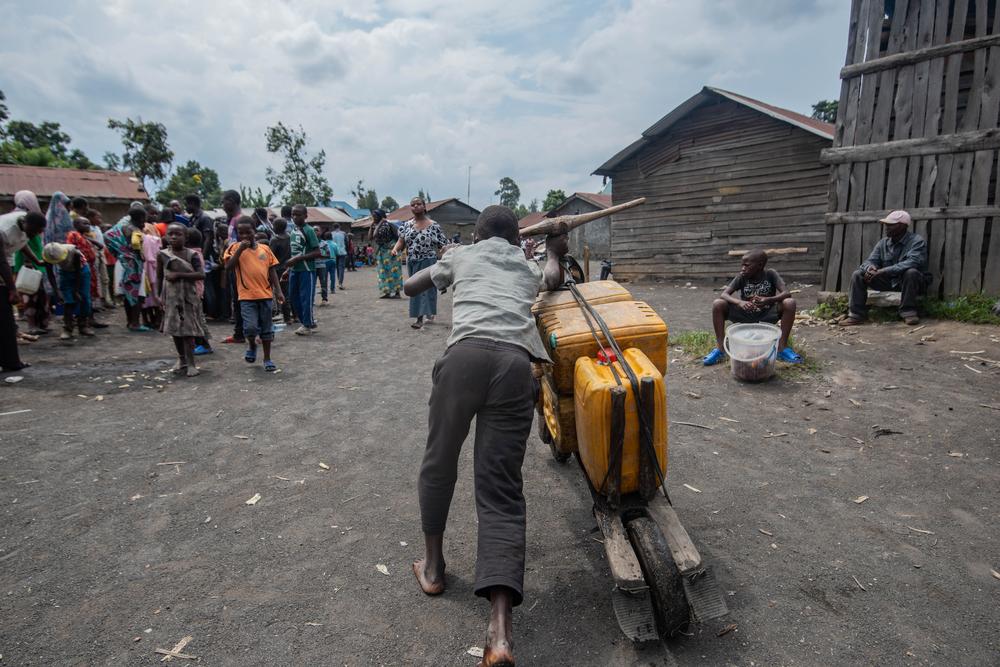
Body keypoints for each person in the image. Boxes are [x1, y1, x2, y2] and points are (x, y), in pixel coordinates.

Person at [404, 205, 568, 667]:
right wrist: (555, 248)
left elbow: (409, 286)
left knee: (439, 463)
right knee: (500, 489)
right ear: (518, 238)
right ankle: (499, 633)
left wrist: (445, 263)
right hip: (516, 367)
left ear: (476, 235)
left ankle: (433, 568)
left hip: (465, 359)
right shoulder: (526, 263)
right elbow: (553, 276)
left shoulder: (460, 256)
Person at [703, 249, 801, 365]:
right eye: (742, 265)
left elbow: (786, 293)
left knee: (790, 302)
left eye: (746, 265)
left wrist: (768, 300)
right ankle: (720, 349)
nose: (743, 268)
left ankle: (781, 348)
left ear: (759, 265)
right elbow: (724, 294)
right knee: (718, 304)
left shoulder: (770, 274)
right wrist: (740, 303)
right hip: (745, 315)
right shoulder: (741, 277)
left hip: (767, 315)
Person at [840, 210, 931, 326]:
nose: (886, 227)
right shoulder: (883, 243)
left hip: (910, 283)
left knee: (911, 272)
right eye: (886, 224)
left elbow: (912, 263)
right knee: (858, 274)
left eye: (891, 225)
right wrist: (870, 268)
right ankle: (856, 315)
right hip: (889, 282)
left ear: (903, 226)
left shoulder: (916, 241)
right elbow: (870, 260)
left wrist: (882, 271)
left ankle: (909, 312)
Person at [223, 217, 284, 371]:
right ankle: (251, 345)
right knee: (250, 328)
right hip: (246, 297)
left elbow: (272, 270)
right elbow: (229, 266)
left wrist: (278, 290)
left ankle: (267, 358)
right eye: (240, 233)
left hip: (265, 295)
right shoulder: (233, 248)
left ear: (254, 231)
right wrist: (240, 250)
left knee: (267, 329)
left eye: (247, 232)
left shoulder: (265, 249)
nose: (244, 236)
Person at [156, 223, 208, 376]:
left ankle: (191, 363)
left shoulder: (191, 255)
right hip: (171, 297)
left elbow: (201, 275)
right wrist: (159, 295)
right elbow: (160, 276)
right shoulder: (162, 254)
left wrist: (179, 275)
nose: (173, 237)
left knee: (188, 331)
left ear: (186, 237)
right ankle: (182, 359)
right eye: (170, 234)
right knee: (175, 330)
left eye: (178, 234)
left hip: (188, 297)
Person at [1, 211, 48, 371]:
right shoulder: (4, 230)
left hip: (5, 264)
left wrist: (36, 260)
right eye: (36, 231)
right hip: (2, 266)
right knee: (5, 319)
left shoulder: (24, 224)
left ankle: (9, 361)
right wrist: (12, 289)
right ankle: (10, 362)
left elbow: (22, 242)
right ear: (28, 225)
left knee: (6, 320)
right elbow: (1, 262)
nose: (37, 234)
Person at [393, 197, 448, 328]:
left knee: (428, 290)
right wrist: (395, 249)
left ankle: (419, 319)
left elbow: (443, 245)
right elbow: (401, 241)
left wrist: (446, 257)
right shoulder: (406, 225)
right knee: (415, 288)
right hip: (412, 261)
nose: (416, 206)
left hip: (429, 261)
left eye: (419, 204)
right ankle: (424, 314)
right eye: (413, 205)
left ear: (424, 207)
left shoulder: (434, 226)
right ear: (410, 208)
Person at [104, 204, 152, 332]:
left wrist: (119, 253)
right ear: (141, 217)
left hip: (123, 262)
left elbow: (107, 236)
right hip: (133, 265)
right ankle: (135, 323)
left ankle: (130, 321)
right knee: (137, 294)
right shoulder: (133, 229)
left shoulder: (121, 227)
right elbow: (136, 245)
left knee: (128, 293)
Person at [42, 241, 94, 340]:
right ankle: (68, 328)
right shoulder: (47, 255)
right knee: (67, 300)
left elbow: (78, 272)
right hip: (65, 273)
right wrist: (56, 291)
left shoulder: (74, 253)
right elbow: (50, 274)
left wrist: (76, 290)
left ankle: (83, 325)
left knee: (84, 298)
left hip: (82, 272)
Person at [283, 204, 322, 335]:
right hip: (294, 270)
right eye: (293, 214)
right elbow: (294, 252)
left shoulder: (309, 230)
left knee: (306, 298)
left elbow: (317, 252)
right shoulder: (293, 231)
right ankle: (307, 321)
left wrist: (298, 259)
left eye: (298, 214)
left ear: (305, 216)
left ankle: (306, 325)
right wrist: (288, 269)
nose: (295, 217)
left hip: (307, 270)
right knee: (293, 297)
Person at [65, 216, 108, 330]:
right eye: (84, 223)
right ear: (76, 225)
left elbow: (100, 246)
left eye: (88, 223)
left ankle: (90, 319)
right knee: (82, 295)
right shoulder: (73, 235)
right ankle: (80, 321)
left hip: (89, 269)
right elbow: (73, 250)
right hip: (79, 269)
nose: (88, 226)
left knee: (89, 295)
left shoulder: (84, 237)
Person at [221, 190, 246, 344]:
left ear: (231, 201)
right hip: (233, 264)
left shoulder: (240, 220)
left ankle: (243, 333)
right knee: (236, 300)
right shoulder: (232, 220)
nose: (222, 205)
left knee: (241, 300)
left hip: (240, 266)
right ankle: (239, 333)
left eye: (224, 201)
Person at [185, 227, 213, 356]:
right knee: (196, 318)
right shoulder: (196, 253)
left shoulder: (192, 255)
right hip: (194, 291)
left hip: (194, 291)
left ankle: (204, 344)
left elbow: (197, 274)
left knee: (197, 319)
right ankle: (201, 343)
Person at [368, 209, 402, 299]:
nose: (373, 218)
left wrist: (378, 225)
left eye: (375, 216)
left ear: (380, 216)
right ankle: (386, 292)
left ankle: (397, 293)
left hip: (391, 250)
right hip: (382, 251)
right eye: (373, 216)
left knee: (394, 271)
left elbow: (375, 235)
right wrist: (372, 225)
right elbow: (370, 237)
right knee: (383, 272)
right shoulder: (376, 225)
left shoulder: (385, 225)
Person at [269, 217, 293, 324]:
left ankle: (287, 317)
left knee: (282, 294)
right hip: (290, 267)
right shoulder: (290, 237)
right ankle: (295, 315)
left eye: (273, 225)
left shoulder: (275, 240)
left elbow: (269, 255)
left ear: (277, 227)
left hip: (279, 270)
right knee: (290, 293)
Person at [330, 223, 348, 288]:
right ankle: (340, 283)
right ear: (339, 227)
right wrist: (347, 251)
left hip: (334, 253)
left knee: (336, 267)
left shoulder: (331, 234)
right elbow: (346, 243)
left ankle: (338, 282)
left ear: (333, 227)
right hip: (342, 252)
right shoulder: (343, 233)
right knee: (341, 268)